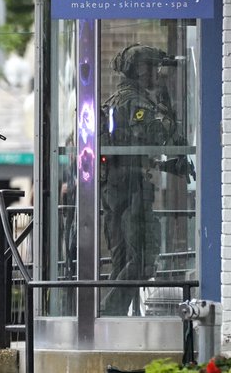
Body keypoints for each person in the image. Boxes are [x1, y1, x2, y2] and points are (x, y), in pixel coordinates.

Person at [99, 43, 192, 316]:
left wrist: (170, 165)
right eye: (150, 67)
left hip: (117, 186)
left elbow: (136, 148)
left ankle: (109, 320)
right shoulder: (135, 102)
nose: (156, 72)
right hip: (131, 187)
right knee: (142, 260)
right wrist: (166, 110)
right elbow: (155, 135)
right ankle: (108, 314)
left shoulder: (119, 99)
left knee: (123, 261)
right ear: (137, 70)